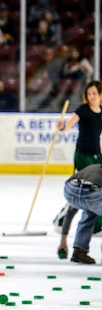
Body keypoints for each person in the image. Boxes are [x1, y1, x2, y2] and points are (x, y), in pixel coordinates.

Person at [55, 81, 102, 264]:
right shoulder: (83, 110)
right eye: (89, 93)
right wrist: (61, 127)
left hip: (97, 154)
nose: (92, 96)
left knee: (95, 190)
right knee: (87, 189)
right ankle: (62, 219)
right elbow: (67, 126)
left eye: (94, 93)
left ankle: (91, 230)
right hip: (82, 154)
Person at [62, 164, 102, 264]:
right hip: (92, 193)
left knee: (90, 209)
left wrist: (63, 241)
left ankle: (79, 251)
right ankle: (80, 251)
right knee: (92, 204)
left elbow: (70, 212)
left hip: (70, 190)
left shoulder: (92, 168)